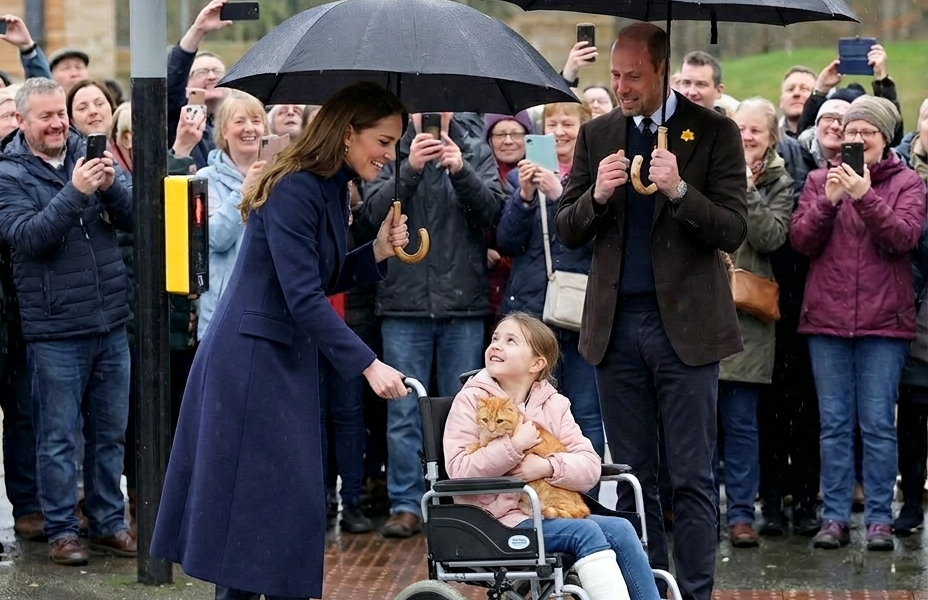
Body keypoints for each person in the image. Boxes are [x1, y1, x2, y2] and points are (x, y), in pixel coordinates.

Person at [150, 81, 412, 600]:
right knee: (257, 508)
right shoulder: (296, 185)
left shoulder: (329, 186)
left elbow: (321, 275)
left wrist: (377, 250)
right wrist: (367, 364)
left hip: (280, 357)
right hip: (248, 360)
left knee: (277, 508)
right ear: (347, 134)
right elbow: (302, 296)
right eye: (383, 141)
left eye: (394, 144)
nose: (389, 154)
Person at [555, 23, 747, 600]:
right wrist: (599, 196)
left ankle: (694, 592)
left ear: (661, 69)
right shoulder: (598, 134)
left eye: (633, 76)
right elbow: (567, 230)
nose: (621, 87)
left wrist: (681, 191)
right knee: (633, 479)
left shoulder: (713, 130)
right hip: (616, 331)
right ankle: (648, 590)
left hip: (686, 329)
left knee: (690, 476)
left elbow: (733, 227)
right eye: (614, 75)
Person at [0, 77, 135, 565]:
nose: (59, 123)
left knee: (109, 432)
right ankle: (61, 531)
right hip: (54, 330)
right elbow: (28, 237)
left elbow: (137, 218)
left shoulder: (89, 151)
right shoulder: (7, 174)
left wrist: (111, 187)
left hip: (110, 320)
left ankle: (108, 522)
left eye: (62, 113)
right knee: (57, 438)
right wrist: (76, 192)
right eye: (46, 116)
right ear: (21, 121)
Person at [444, 312, 662, 600]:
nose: (496, 345)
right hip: (494, 520)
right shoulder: (472, 399)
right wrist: (513, 447)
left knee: (621, 527)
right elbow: (458, 469)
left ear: (537, 363)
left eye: (510, 340)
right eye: (495, 338)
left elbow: (589, 466)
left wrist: (547, 467)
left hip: (543, 511)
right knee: (585, 533)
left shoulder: (555, 404)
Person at [790, 95, 927, 552]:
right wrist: (829, 202)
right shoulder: (816, 181)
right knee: (833, 424)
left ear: (885, 137)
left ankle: (879, 521)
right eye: (850, 132)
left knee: (877, 424)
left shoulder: (907, 182)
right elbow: (801, 242)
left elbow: (903, 238)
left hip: (883, 325)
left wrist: (865, 196)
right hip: (827, 323)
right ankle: (834, 519)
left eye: (867, 132)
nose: (857, 139)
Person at [360, 111, 505, 538]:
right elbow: (370, 214)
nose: (431, 115)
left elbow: (494, 212)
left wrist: (461, 171)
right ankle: (406, 503)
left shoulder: (475, 149)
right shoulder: (392, 150)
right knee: (404, 412)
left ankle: (463, 502)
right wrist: (410, 169)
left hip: (463, 303)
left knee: (466, 412)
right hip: (403, 304)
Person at [497, 101, 603, 460]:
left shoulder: (596, 181)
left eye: (568, 123)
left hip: (581, 308)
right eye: (553, 123)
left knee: (585, 409)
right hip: (533, 311)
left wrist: (560, 196)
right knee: (530, 410)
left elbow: (596, 241)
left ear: (584, 130)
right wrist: (525, 197)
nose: (559, 130)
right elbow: (508, 242)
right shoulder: (519, 177)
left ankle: (585, 491)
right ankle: (539, 493)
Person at [717, 98, 794, 548]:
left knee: (742, 424)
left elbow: (771, 237)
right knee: (702, 425)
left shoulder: (781, 181)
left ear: (770, 137)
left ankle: (742, 515)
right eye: (739, 128)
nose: (745, 137)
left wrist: (746, 189)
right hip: (706, 310)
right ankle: (704, 510)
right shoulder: (709, 170)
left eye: (755, 131)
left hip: (750, 318)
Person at [196, 91, 268, 339]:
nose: (249, 128)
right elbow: (214, 236)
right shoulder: (206, 178)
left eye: (256, 121)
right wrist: (244, 191)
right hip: (223, 312)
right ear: (223, 131)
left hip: (269, 308)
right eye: (240, 121)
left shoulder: (281, 177)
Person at [167, 0, 234, 169]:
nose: (211, 77)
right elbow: (172, 85)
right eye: (202, 72)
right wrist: (198, 30)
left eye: (217, 72)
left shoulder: (237, 123)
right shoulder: (179, 121)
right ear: (186, 83)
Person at [779, 66, 816, 138]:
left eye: (804, 89)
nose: (796, 93)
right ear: (781, 101)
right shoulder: (769, 139)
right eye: (790, 89)